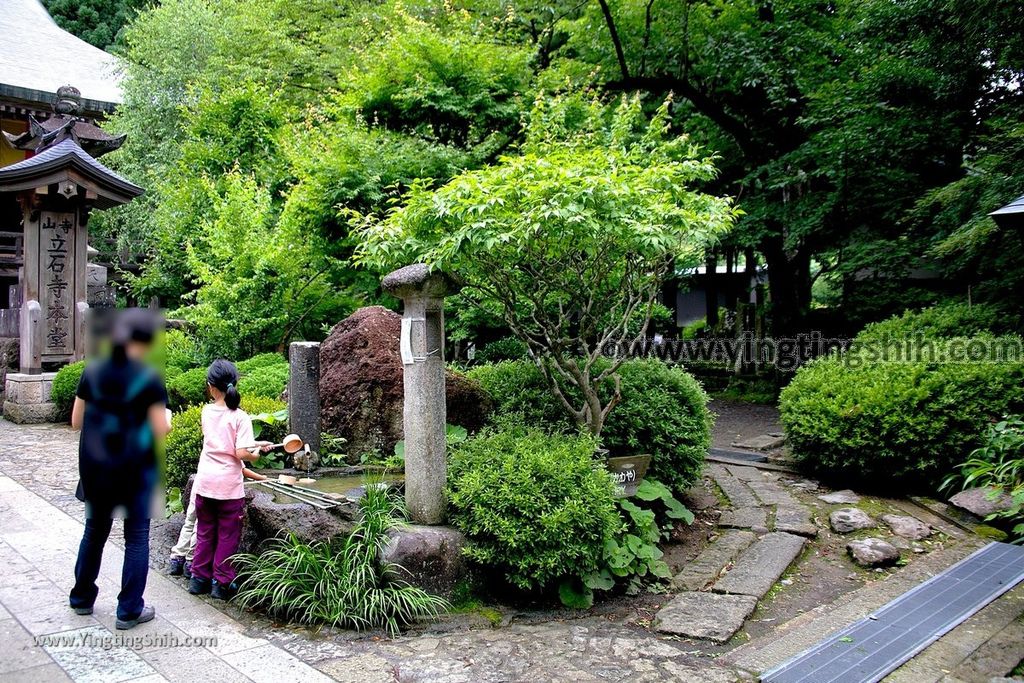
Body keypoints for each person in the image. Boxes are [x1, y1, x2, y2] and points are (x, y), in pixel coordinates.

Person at [69, 309, 170, 630]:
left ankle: (82, 598)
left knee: (94, 532)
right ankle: (129, 610)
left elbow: (75, 422)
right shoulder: (149, 377)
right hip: (134, 472)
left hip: (96, 469)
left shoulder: (93, 370)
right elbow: (159, 428)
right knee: (137, 539)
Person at [188, 359, 271, 600]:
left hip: (205, 482)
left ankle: (198, 579)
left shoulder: (206, 411)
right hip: (227, 488)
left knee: (204, 531)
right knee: (227, 535)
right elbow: (240, 453)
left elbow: (221, 441)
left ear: (210, 386)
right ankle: (221, 583)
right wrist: (254, 453)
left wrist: (256, 444)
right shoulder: (240, 417)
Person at [167, 467, 266, 578]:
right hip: (213, 489)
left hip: (201, 482)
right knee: (200, 527)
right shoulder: (231, 450)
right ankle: (191, 561)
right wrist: (262, 477)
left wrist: (258, 449)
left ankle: (177, 558)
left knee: (190, 521)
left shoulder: (208, 450)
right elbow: (241, 465)